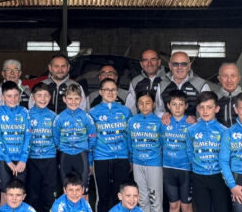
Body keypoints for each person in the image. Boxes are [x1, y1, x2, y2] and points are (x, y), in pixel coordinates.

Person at [91, 78, 131, 212]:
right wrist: (90, 162)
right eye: (106, 89)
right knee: (103, 196)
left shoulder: (126, 111)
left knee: (119, 196)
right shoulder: (93, 112)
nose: (110, 92)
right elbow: (90, 139)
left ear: (117, 92)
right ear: (100, 92)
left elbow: (130, 136)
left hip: (122, 158)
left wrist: (130, 158)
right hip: (101, 158)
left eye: (113, 89)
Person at [186, 91, 229, 212]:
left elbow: (227, 155)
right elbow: (190, 152)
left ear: (217, 109)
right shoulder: (191, 130)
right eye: (201, 107)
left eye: (209, 107)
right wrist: (196, 166)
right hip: (199, 176)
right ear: (197, 109)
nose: (205, 111)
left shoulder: (224, 131)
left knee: (222, 208)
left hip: (219, 176)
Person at [52, 83, 96, 194]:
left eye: (76, 98)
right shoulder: (59, 118)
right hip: (65, 155)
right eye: (70, 98)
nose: (73, 101)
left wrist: (90, 159)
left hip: (81, 155)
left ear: (81, 99)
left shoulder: (86, 117)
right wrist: (63, 147)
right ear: (64, 99)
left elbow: (92, 138)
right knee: (66, 188)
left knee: (82, 189)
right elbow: (55, 138)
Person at [0, 81, 32, 192]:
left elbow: (28, 136)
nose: (13, 99)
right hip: (5, 160)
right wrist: (8, 161)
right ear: (2, 97)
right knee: (5, 193)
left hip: (21, 160)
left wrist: (23, 160)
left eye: (16, 95)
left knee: (20, 192)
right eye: (9, 96)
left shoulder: (24, 111)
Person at [129, 92, 164, 212]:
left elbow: (163, 143)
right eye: (141, 103)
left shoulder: (159, 122)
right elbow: (129, 142)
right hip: (137, 163)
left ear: (153, 104)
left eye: (147, 103)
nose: (144, 106)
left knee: (154, 198)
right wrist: (131, 160)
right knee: (142, 198)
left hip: (154, 163)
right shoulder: (132, 121)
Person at [26, 83, 59, 212]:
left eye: (46, 95)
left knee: (49, 194)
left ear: (50, 97)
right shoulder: (27, 115)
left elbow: (57, 139)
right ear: (33, 97)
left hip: (49, 159)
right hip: (32, 159)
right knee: (32, 194)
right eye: (39, 95)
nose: (43, 99)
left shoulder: (54, 116)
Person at [161, 91, 194, 212]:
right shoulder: (163, 123)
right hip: (168, 168)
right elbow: (160, 143)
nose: (177, 107)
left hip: (186, 169)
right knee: (173, 206)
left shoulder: (192, 124)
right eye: (174, 104)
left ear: (186, 106)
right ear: (168, 106)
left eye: (181, 104)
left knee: (186, 207)